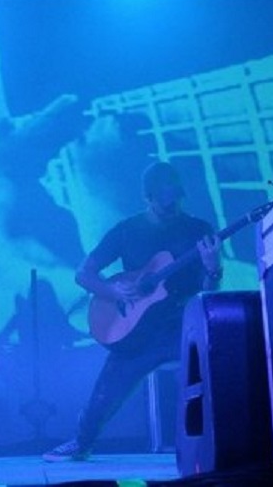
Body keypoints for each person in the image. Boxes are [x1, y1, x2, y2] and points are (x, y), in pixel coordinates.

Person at [42, 161, 223, 461]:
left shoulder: (199, 230)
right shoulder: (127, 230)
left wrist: (213, 269)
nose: (172, 208)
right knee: (107, 391)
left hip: (183, 326)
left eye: (176, 200)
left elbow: (209, 292)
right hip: (138, 331)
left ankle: (220, 442)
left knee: (217, 369)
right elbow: (84, 274)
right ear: (148, 198)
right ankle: (82, 442)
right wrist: (113, 291)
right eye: (164, 202)